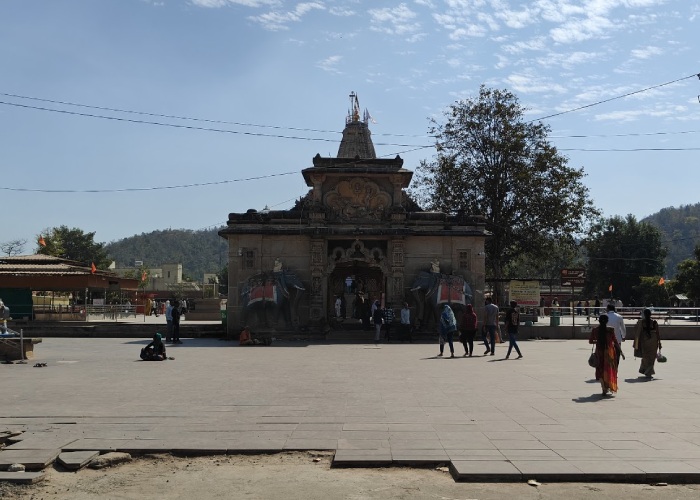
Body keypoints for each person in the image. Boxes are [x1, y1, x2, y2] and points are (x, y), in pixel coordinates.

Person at [589, 314, 620, 396]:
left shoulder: (595, 330)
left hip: (599, 352)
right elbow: (615, 341)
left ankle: (604, 387)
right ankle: (608, 385)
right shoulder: (610, 330)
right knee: (609, 369)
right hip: (609, 353)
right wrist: (620, 351)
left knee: (600, 369)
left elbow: (590, 341)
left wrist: (598, 341)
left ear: (599, 320)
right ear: (607, 321)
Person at [634, 308, 662, 378]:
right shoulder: (654, 322)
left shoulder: (641, 322)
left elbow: (636, 330)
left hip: (645, 340)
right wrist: (659, 342)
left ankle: (645, 370)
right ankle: (649, 371)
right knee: (652, 357)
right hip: (653, 341)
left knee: (645, 356)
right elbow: (657, 333)